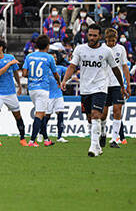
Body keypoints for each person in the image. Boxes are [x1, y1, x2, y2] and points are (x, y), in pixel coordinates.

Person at [61, 24, 127, 157]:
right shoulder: (80, 49)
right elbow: (72, 66)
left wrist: (122, 85)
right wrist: (64, 80)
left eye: (94, 35)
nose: (91, 38)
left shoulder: (106, 51)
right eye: (89, 35)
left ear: (100, 36)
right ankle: (98, 145)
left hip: (100, 87)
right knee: (90, 119)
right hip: (85, 89)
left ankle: (93, 146)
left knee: (96, 114)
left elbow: (115, 69)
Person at [22, 35, 61, 148]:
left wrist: (33, 76)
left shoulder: (29, 56)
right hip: (43, 89)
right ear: (47, 46)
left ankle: (46, 139)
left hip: (32, 89)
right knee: (39, 114)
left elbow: (24, 73)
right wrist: (59, 82)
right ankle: (32, 140)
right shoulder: (49, 58)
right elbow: (55, 73)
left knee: (42, 113)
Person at [0, 39, 27, 147]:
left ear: (1, 48)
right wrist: (9, 64)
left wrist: (19, 85)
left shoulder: (10, 58)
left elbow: (15, 72)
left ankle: (22, 138)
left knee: (17, 116)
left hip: (10, 92)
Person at [101, 28, 130, 148]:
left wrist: (127, 84)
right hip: (103, 84)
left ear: (116, 39)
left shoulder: (121, 49)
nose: (110, 43)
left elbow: (124, 67)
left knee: (117, 111)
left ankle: (114, 139)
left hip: (117, 84)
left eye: (112, 41)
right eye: (108, 41)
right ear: (105, 39)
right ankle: (102, 134)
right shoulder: (101, 48)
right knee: (103, 114)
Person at [40, 55, 68, 143]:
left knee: (60, 114)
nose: (54, 59)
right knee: (47, 116)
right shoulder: (44, 69)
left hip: (58, 95)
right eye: (53, 57)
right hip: (48, 95)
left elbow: (70, 71)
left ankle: (59, 137)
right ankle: (41, 134)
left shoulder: (60, 68)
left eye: (55, 57)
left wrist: (64, 81)